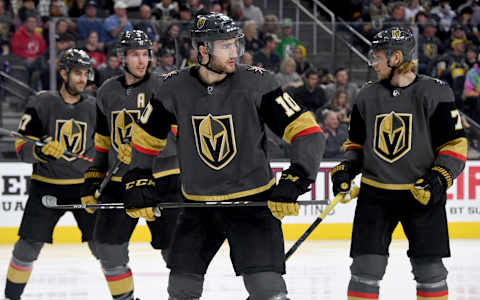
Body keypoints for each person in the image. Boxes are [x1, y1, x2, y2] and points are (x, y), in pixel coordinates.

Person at [122, 12, 325, 300]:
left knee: (268, 291)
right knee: (181, 290)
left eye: (235, 44)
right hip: (197, 207)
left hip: (252, 204)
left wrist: (297, 177)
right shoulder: (172, 88)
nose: (235, 53)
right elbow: (144, 138)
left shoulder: (258, 83)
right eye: (225, 46)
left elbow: (308, 132)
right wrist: (138, 177)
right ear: (203, 50)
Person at [331, 27, 467, 300]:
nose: (373, 62)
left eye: (378, 56)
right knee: (364, 269)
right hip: (375, 194)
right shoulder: (366, 95)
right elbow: (356, 145)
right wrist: (346, 168)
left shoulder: (435, 92)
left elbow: (455, 146)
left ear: (396, 57)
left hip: (422, 193)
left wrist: (439, 177)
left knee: (430, 272)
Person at [80, 30, 180, 300]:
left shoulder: (165, 86)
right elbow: (101, 143)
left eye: (145, 54)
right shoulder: (106, 91)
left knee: (178, 253)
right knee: (107, 249)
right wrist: (92, 180)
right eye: (135, 54)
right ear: (122, 57)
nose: (141, 60)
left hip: (163, 178)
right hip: (119, 182)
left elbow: (181, 132)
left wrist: (141, 148)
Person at [3, 49, 97, 300]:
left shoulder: (95, 107)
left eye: (85, 73)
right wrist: (42, 152)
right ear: (64, 73)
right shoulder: (41, 103)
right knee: (25, 250)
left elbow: (107, 148)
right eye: (77, 73)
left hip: (84, 188)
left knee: (108, 249)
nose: (82, 79)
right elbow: (22, 149)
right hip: (46, 186)